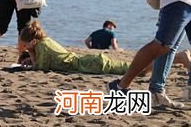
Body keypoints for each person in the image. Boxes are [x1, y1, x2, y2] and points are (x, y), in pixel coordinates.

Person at [20, 20, 191, 75]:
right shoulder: (45, 42)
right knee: (138, 68)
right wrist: (31, 53)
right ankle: (177, 58)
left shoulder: (41, 47)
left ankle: (179, 57)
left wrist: (31, 54)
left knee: (139, 70)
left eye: (26, 45)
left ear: (33, 41)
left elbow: (39, 68)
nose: (25, 47)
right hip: (91, 60)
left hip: (92, 64)